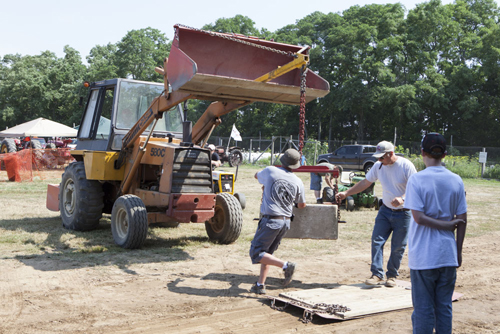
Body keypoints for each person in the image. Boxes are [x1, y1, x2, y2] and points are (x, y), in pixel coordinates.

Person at [404, 133, 467, 333]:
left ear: (422, 152)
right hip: (447, 254)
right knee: (444, 307)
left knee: (423, 309)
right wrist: (458, 252)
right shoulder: (456, 180)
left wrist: (446, 226)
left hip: (424, 256)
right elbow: (462, 219)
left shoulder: (417, 180)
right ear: (444, 154)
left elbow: (419, 217)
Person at [335, 140, 417, 287]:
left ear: (390, 154)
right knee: (377, 241)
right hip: (385, 211)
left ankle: (391, 276)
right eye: (377, 157)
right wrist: (347, 193)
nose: (378, 160)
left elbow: (416, 188)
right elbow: (365, 183)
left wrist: (403, 198)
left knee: (398, 246)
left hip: (404, 213)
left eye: (381, 157)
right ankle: (377, 274)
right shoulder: (379, 166)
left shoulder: (406, 166)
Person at [249, 148, 307, 294]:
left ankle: (286, 265)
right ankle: (260, 285)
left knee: (256, 253)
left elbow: (256, 176)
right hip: (285, 222)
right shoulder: (298, 181)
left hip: (270, 220)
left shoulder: (270, 171)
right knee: (267, 253)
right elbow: (301, 205)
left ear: (283, 160)